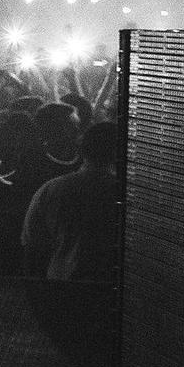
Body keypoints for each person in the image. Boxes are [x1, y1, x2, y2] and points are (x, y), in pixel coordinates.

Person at [23, 120, 122, 281]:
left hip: (61, 287)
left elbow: (32, 247)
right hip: (110, 290)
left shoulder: (51, 189)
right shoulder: (122, 192)